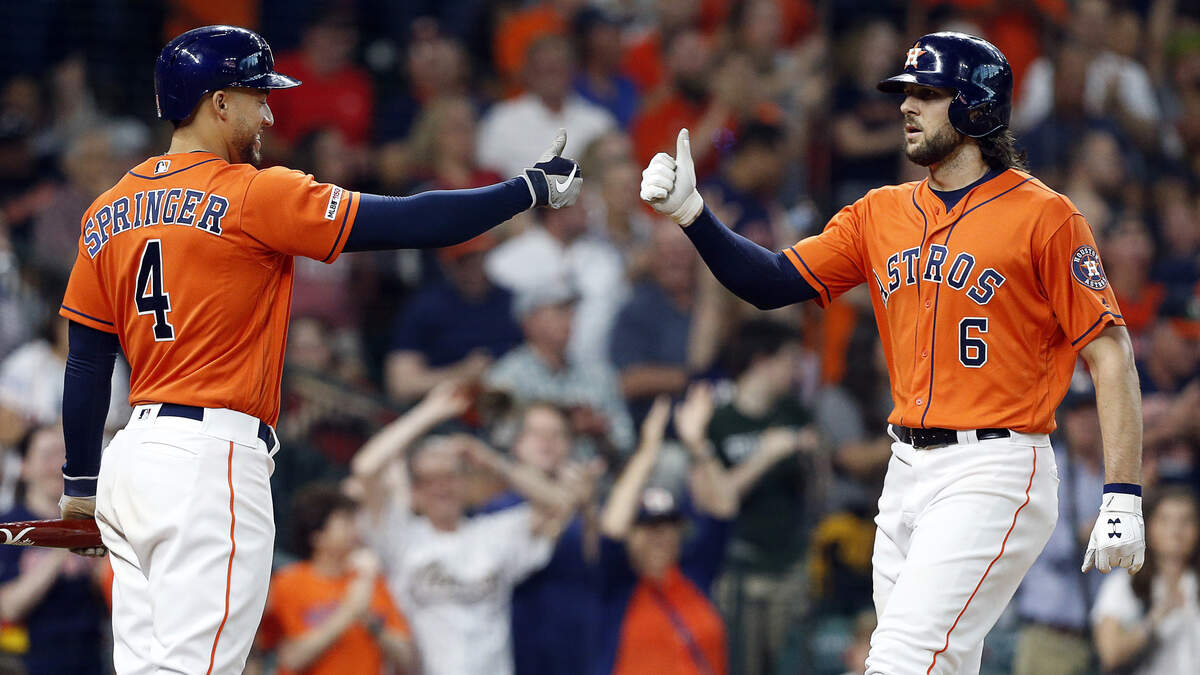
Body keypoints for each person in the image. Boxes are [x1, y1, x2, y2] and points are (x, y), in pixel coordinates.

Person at [56, 25, 582, 674]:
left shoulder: (107, 210)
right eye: (257, 97)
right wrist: (526, 190)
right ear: (218, 103)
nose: (269, 115)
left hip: (131, 460)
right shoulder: (252, 192)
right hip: (209, 459)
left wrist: (81, 484)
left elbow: (86, 363)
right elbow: (414, 219)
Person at [639, 32, 1145, 674]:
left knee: (901, 660)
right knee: (937, 663)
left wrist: (1122, 492)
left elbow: (1110, 351)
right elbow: (770, 283)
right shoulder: (879, 213)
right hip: (904, 468)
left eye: (928, 93)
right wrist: (694, 215)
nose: (907, 105)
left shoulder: (1046, 216)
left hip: (995, 466)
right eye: (907, 92)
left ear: (977, 105)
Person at [350, 382, 575, 675]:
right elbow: (366, 466)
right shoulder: (401, 536)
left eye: (451, 477)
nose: (442, 488)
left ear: (465, 483)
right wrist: (429, 412)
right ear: (415, 491)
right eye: (430, 480)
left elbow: (560, 503)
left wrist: (491, 459)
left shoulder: (494, 533)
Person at [596, 385, 738, 675]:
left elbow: (724, 509)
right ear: (631, 535)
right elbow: (611, 529)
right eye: (648, 528)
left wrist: (698, 444)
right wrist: (648, 452)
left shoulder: (694, 573)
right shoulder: (616, 583)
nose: (659, 537)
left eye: (667, 527)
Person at [257, 484, 416, 675]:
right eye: (345, 523)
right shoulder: (287, 583)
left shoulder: (368, 580)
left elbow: (406, 657)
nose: (355, 531)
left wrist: (370, 621)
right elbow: (290, 658)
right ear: (317, 536)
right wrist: (349, 612)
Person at [0, 426, 107, 674]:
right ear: (24, 466)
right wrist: (65, 542)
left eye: (65, 456)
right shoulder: (8, 529)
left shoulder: (95, 524)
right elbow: (9, 607)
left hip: (92, 659)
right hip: (29, 663)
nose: (59, 466)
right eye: (48, 455)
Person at [1092, 488, 1200, 675]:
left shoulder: (1193, 582)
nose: (1176, 531)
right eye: (1165, 520)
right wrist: (1155, 618)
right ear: (1148, 526)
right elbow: (1109, 654)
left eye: (1186, 521)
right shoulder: (1124, 584)